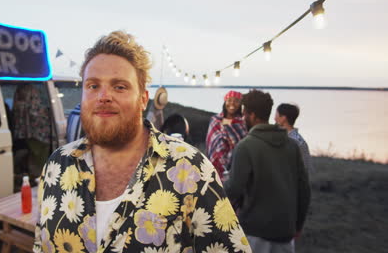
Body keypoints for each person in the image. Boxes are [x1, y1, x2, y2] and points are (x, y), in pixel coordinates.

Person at [33, 31, 251, 253]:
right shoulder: (56, 165)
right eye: (93, 86)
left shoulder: (191, 169)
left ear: (143, 99)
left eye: (119, 86)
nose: (103, 96)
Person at [224, 89, 311, 253]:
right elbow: (304, 190)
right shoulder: (292, 146)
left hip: (255, 233)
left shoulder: (246, 146)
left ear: (252, 115)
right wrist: (297, 226)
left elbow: (234, 189)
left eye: (245, 114)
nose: (243, 118)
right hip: (285, 233)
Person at [206, 90, 247, 181]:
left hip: (235, 167)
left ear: (240, 104)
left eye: (236, 101)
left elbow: (242, 146)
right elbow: (211, 144)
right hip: (215, 165)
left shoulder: (242, 123)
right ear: (225, 102)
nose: (232, 103)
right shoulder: (215, 120)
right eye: (229, 100)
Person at [275, 103, 315, 179]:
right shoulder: (299, 140)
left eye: (276, 115)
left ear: (283, 118)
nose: (274, 118)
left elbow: (305, 170)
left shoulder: (295, 141)